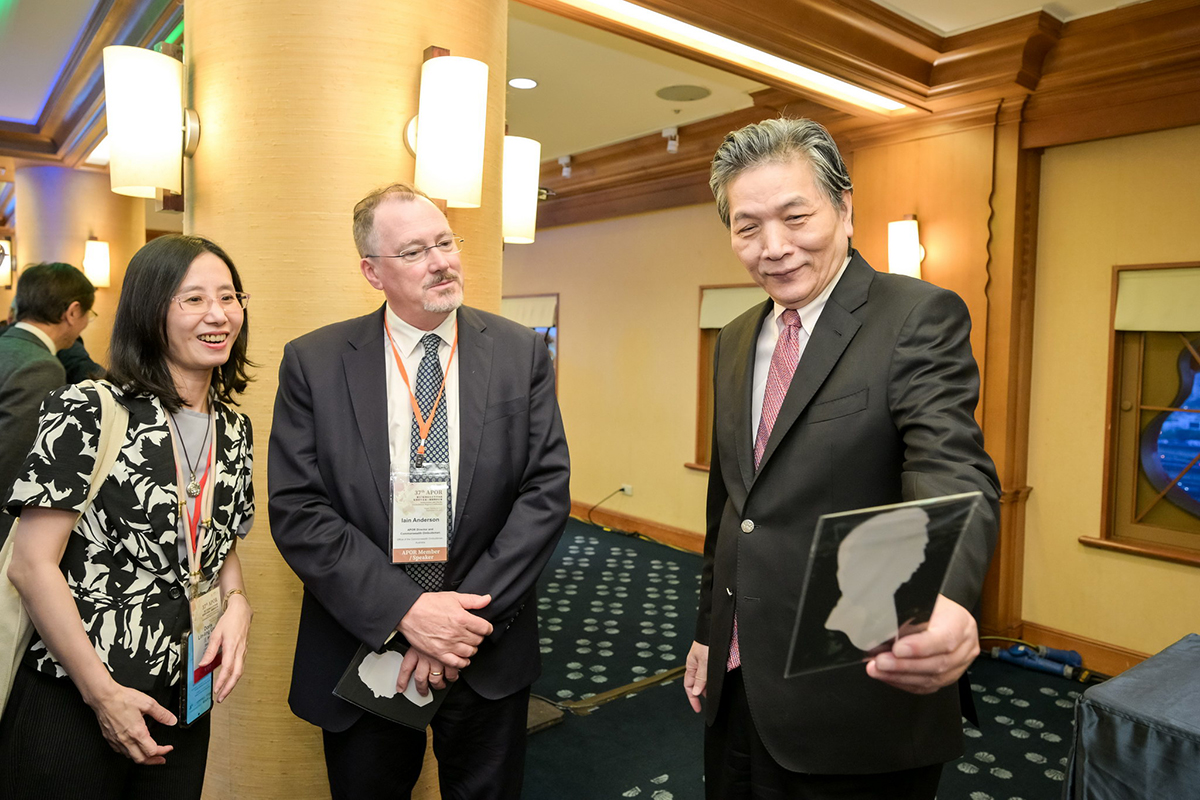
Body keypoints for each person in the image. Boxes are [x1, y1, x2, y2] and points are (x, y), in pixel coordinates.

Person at [682, 117, 1000, 799]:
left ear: (845, 208)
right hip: (739, 680)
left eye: (796, 217)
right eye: (747, 227)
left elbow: (951, 470)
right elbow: (732, 508)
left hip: (856, 690)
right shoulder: (734, 339)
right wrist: (710, 632)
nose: (774, 248)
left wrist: (945, 595)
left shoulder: (915, 316)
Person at [269, 182, 570, 799]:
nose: (440, 262)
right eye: (413, 252)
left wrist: (456, 624)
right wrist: (407, 612)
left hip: (486, 644)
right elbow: (298, 509)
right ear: (372, 272)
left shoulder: (520, 352)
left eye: (445, 243)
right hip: (364, 645)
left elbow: (545, 492)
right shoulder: (315, 362)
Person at [0, 235, 255, 800]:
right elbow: (31, 565)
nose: (218, 314)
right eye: (194, 299)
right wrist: (103, 696)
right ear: (149, 311)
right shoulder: (88, 408)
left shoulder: (235, 429)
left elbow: (220, 547)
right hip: (75, 695)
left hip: (181, 696)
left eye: (229, 296)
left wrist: (238, 603)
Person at [0, 262, 95, 543]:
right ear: (73, 312)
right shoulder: (41, 366)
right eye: (89, 314)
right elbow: (12, 466)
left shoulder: (8, 346)